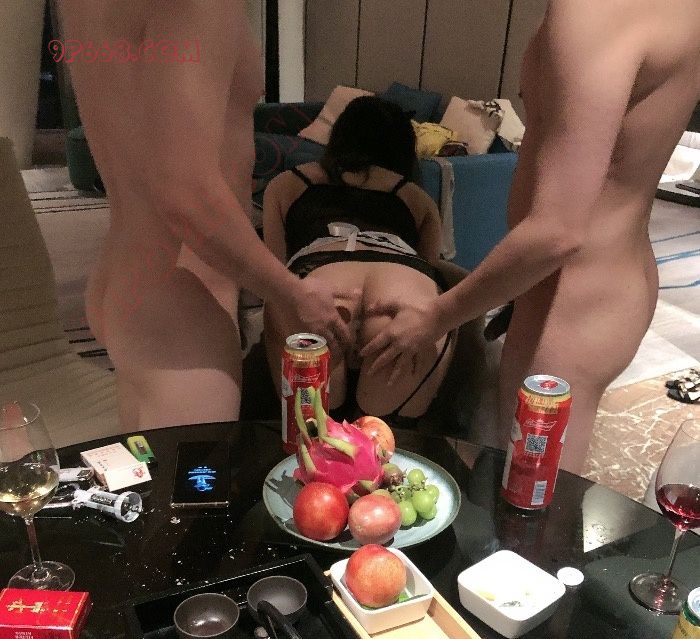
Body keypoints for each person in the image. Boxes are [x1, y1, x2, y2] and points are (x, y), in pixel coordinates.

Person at [361, 0, 700, 472]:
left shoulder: (594, 11)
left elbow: (557, 231)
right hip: (596, 278)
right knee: (528, 489)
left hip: (573, 298)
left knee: (530, 501)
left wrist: (436, 317)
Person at [56, 0, 347, 430]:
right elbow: (185, 195)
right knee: (193, 476)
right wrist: (294, 294)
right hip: (180, 311)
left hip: (131, 282)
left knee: (151, 471)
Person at [262, 96, 454, 418]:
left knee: (309, 434)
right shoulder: (418, 199)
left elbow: (273, 270)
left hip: (321, 282)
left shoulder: (286, 184)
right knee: (391, 440)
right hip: (403, 285)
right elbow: (429, 267)